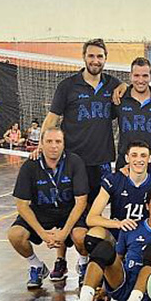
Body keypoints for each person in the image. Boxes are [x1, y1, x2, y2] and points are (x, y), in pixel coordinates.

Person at [64, 185, 151, 301]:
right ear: (147, 206)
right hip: (123, 283)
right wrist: (105, 288)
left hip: (150, 291)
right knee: (104, 248)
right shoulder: (131, 227)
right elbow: (118, 257)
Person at [41, 39, 122, 203]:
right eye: (91, 56)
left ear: (106, 58)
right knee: (75, 206)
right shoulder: (67, 86)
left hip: (102, 160)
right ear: (83, 57)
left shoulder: (112, 84)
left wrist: (124, 85)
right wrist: (41, 147)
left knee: (97, 208)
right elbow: (52, 119)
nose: (95, 60)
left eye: (100, 56)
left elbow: (128, 88)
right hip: (74, 159)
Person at [7, 127, 88, 289]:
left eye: (58, 142)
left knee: (81, 236)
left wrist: (64, 233)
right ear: (41, 144)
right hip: (41, 212)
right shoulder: (30, 166)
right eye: (49, 141)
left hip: (68, 210)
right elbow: (22, 205)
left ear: (64, 144)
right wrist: (42, 233)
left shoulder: (74, 162)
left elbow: (81, 201)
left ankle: (84, 264)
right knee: (15, 235)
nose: (53, 146)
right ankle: (36, 266)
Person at [84, 140, 151, 285]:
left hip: (145, 238)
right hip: (118, 235)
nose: (139, 160)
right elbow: (91, 218)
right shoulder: (114, 180)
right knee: (93, 235)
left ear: (150, 158)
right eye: (134, 155)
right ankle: (103, 274)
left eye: (143, 155)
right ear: (127, 158)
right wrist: (118, 223)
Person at [113, 57, 151, 176]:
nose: (140, 80)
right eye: (136, 75)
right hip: (125, 164)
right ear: (130, 76)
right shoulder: (120, 98)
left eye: (145, 76)